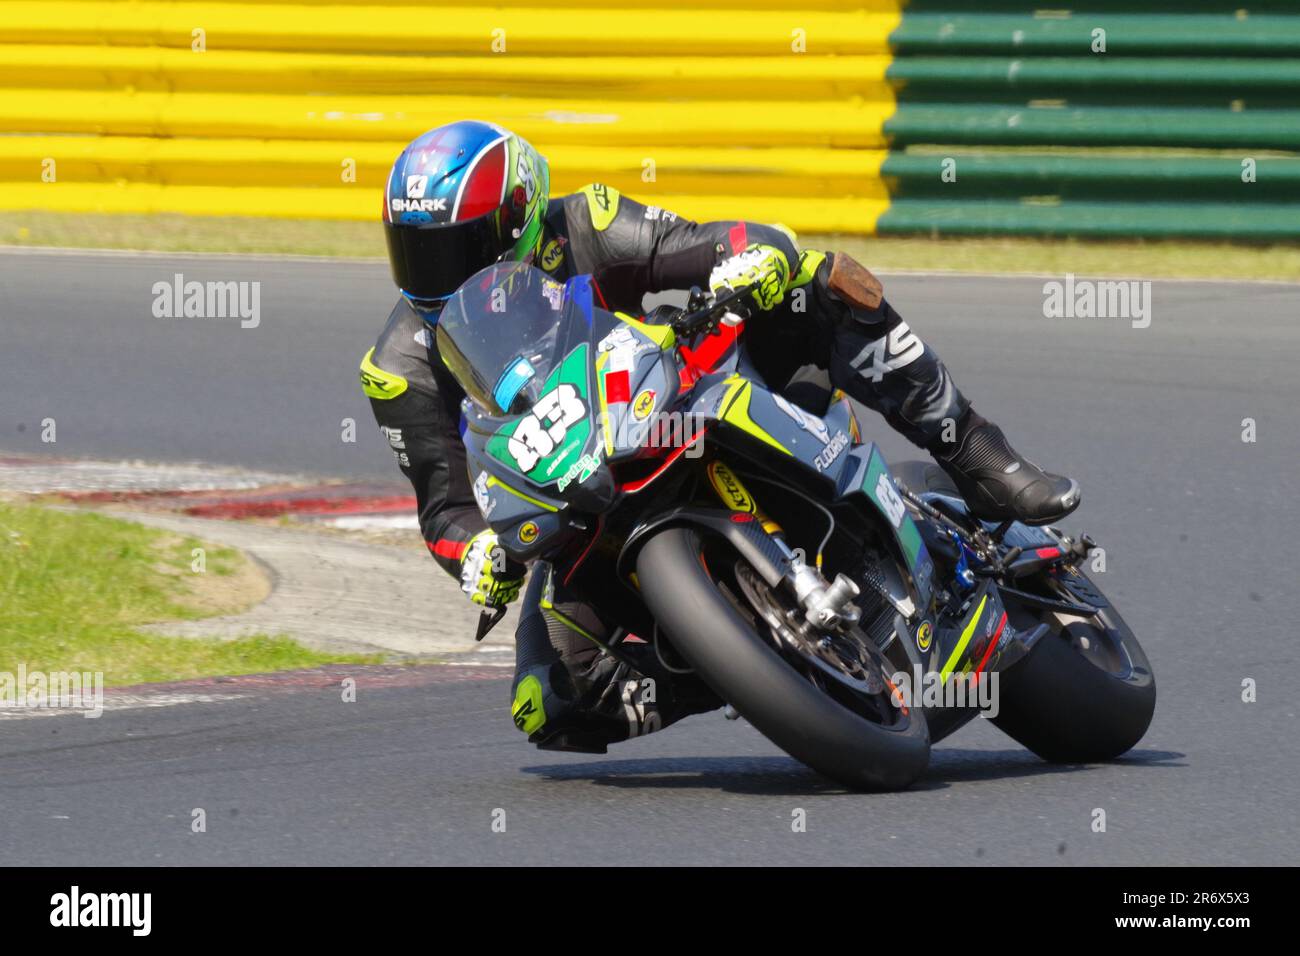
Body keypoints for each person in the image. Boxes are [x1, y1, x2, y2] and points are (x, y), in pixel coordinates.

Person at [362, 120, 1080, 753]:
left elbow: (699, 243)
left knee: (815, 283)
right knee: (549, 702)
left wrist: (754, 257)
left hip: (676, 389)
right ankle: (744, 667)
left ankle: (981, 453)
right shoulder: (397, 367)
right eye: (418, 252)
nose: (439, 274)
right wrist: (473, 554)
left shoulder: (584, 222)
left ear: (517, 215)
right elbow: (444, 506)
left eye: (457, 248)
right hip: (578, 494)